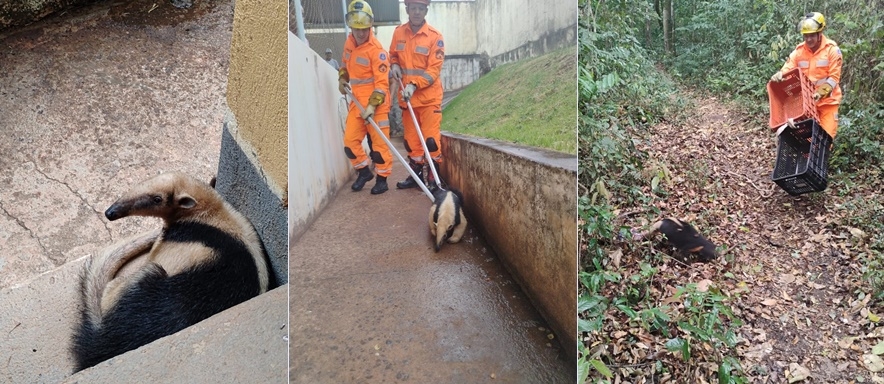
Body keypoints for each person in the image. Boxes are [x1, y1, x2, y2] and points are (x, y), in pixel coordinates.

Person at [388, 0, 445, 190]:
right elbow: (393, 55)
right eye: (414, 8)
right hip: (408, 101)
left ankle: (433, 177)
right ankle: (416, 175)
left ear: (426, 10)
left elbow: (433, 70)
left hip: (428, 100)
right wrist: (394, 64)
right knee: (412, 143)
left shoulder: (435, 37)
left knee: (430, 141)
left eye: (421, 8)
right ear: (407, 10)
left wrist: (413, 85)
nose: (417, 12)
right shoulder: (398, 33)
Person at [338, 0, 393, 194]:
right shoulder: (349, 43)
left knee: (379, 147)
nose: (361, 33)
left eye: (364, 29)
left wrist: (372, 106)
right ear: (351, 26)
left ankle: (382, 179)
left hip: (376, 106)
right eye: (357, 28)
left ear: (370, 25)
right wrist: (343, 79)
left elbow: (382, 84)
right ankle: (363, 171)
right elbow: (344, 66)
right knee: (350, 143)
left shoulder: (377, 51)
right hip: (357, 103)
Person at [770, 12, 843, 139]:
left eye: (812, 36)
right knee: (806, 142)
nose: (808, 39)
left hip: (827, 104)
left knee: (825, 140)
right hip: (806, 106)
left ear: (820, 33)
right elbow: (788, 68)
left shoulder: (832, 50)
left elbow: (834, 78)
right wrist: (780, 74)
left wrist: (821, 92)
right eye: (806, 36)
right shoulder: (799, 51)